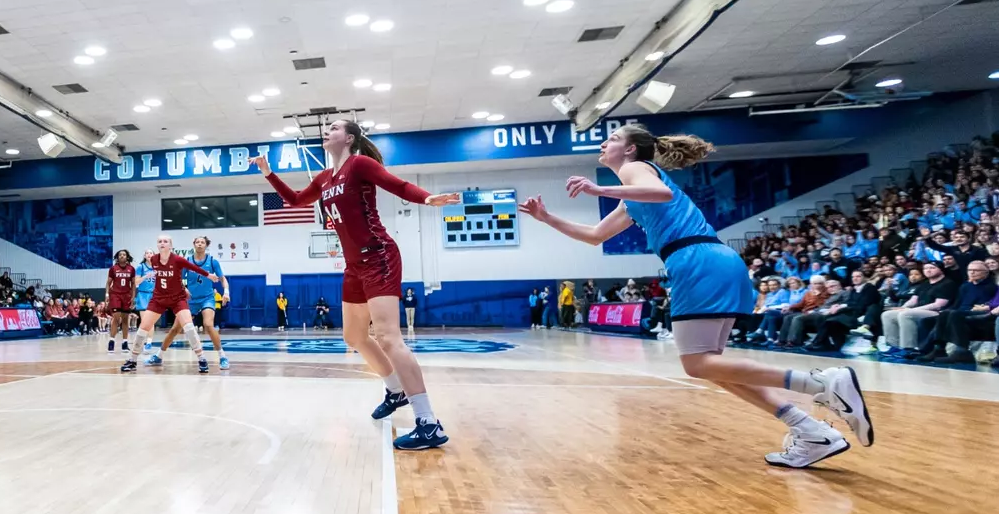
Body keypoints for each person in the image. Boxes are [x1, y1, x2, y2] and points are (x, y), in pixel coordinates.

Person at [519, 123, 872, 469]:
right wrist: (547, 218)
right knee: (712, 367)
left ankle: (821, 382)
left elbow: (662, 194)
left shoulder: (634, 169)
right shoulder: (631, 195)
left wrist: (598, 190)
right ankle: (809, 430)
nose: (603, 144)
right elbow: (595, 235)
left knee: (697, 364)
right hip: (714, 260)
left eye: (612, 138)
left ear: (629, 149)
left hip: (696, 261)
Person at [253, 120, 459, 450]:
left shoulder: (360, 164)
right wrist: (268, 172)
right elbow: (294, 201)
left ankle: (428, 422)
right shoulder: (324, 178)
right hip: (354, 266)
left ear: (349, 138)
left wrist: (428, 198)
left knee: (389, 337)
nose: (327, 131)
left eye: (334, 128)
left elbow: (400, 186)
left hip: (378, 254)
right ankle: (395, 391)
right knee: (354, 336)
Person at [121, 234, 219, 373]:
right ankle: (132, 360)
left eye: (165, 241)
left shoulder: (178, 259)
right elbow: (141, 278)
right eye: (159, 241)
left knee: (189, 327)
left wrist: (208, 275)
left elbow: (193, 268)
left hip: (177, 299)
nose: (162, 243)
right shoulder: (154, 259)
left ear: (170, 245)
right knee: (143, 328)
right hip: (159, 298)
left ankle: (202, 359)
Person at [155, 235, 230, 368]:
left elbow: (222, 278)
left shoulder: (212, 261)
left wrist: (226, 292)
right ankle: (158, 356)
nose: (200, 244)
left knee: (208, 325)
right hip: (190, 300)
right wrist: (184, 288)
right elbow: (176, 278)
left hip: (207, 298)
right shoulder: (187, 261)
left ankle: (222, 356)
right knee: (175, 329)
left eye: (202, 242)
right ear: (194, 244)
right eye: (197, 242)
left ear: (206, 245)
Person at [881, 261, 953, 358]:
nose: (928, 270)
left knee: (906, 315)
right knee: (887, 315)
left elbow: (939, 304)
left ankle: (909, 348)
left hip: (937, 312)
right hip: (919, 311)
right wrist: (903, 307)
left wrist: (909, 310)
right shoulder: (924, 284)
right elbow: (913, 300)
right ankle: (894, 346)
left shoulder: (947, 283)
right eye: (926, 268)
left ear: (941, 270)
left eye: (932, 268)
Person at [104, 248, 139, 352]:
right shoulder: (113, 269)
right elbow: (108, 283)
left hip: (126, 295)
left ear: (127, 257)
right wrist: (107, 294)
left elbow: (133, 284)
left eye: (124, 255)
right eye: (120, 255)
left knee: (125, 319)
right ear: (117, 257)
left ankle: (124, 343)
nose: (122, 256)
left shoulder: (131, 269)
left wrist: (133, 297)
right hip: (115, 295)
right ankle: (111, 341)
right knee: (116, 317)